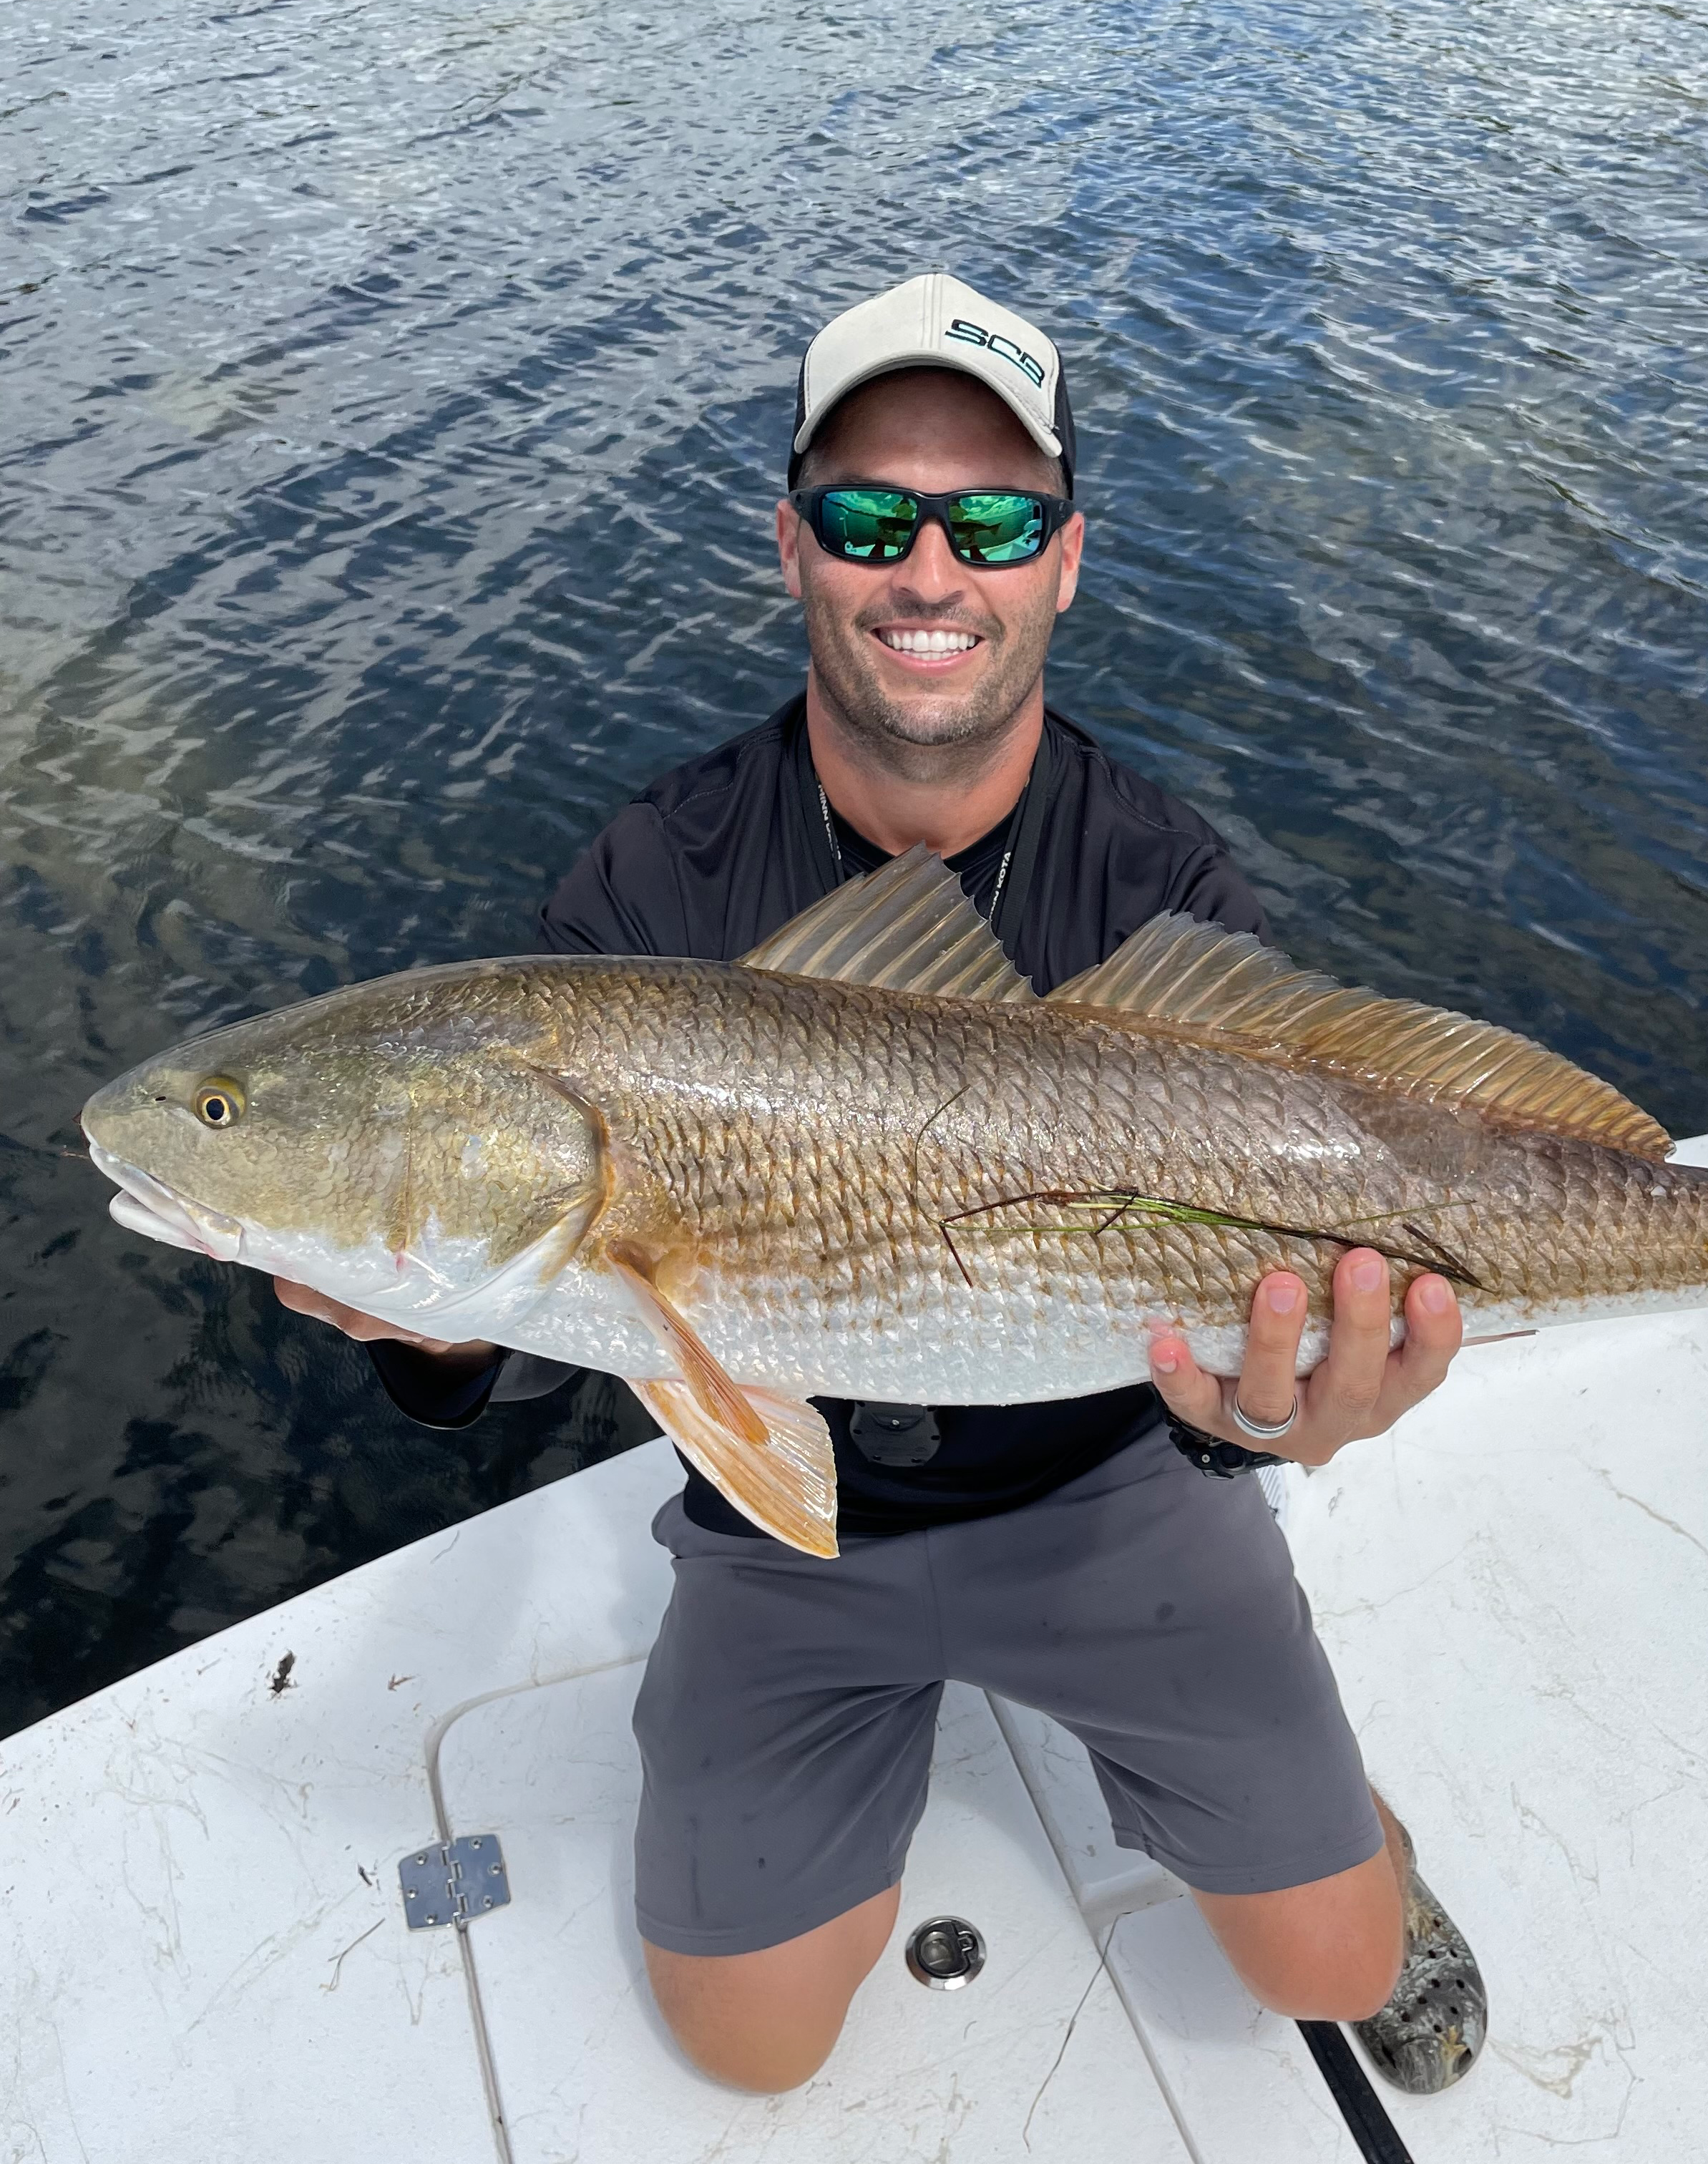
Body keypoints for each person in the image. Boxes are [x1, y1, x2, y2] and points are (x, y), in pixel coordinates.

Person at [277, 273, 1488, 2098]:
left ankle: (1346, 1824)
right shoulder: (648, 889)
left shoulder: (1156, 876)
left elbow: (1241, 1357)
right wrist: (428, 1337)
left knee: (1332, 1972)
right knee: (748, 2046)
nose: (930, 569)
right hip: (791, 1537)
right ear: (792, 548)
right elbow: (553, 1334)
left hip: (1114, 1485)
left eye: (992, 518)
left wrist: (1275, 1423)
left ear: (1065, 561)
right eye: (868, 515)